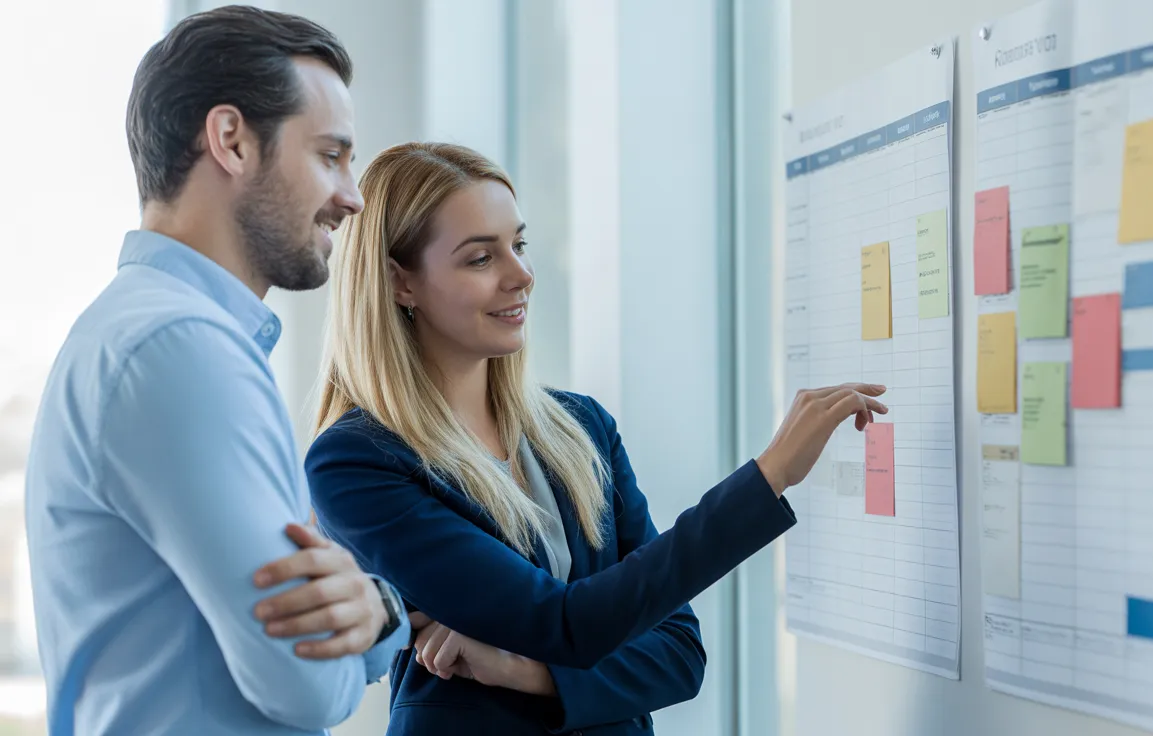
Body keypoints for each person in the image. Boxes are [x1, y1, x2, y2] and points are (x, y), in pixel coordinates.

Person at [304, 142, 888, 735]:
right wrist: (769, 477)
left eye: (519, 245)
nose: (522, 275)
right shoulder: (358, 462)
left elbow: (680, 656)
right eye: (481, 259)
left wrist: (529, 671)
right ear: (401, 283)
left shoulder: (581, 429)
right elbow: (567, 623)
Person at [23, 7, 411, 735]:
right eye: (330, 156)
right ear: (231, 140)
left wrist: (369, 607)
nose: (353, 196)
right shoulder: (180, 349)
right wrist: (378, 616)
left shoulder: (137, 334)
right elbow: (306, 684)